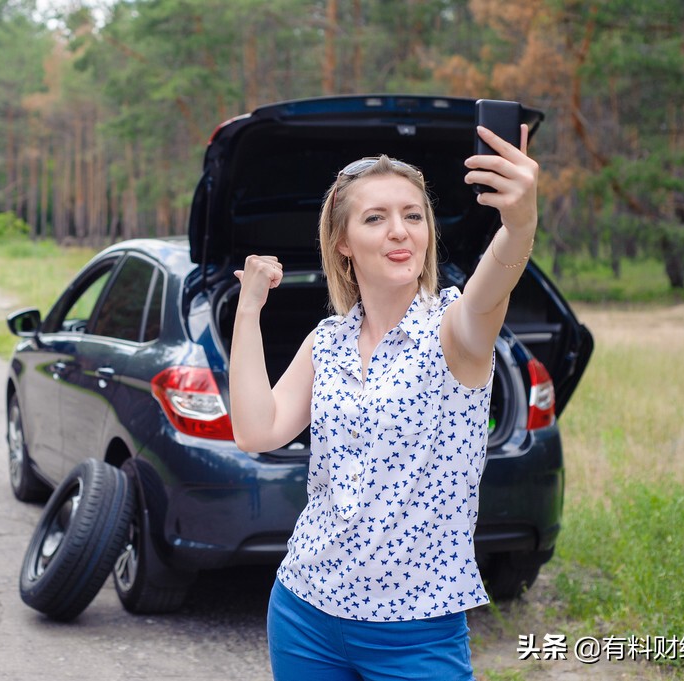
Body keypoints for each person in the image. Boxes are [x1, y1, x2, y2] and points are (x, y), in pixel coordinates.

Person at [228, 124, 539, 681]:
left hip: (416, 631)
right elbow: (257, 431)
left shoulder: (455, 328)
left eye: (413, 216)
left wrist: (519, 223)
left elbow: (495, 281)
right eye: (376, 218)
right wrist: (248, 310)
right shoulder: (328, 341)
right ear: (343, 241)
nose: (400, 232)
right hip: (305, 610)